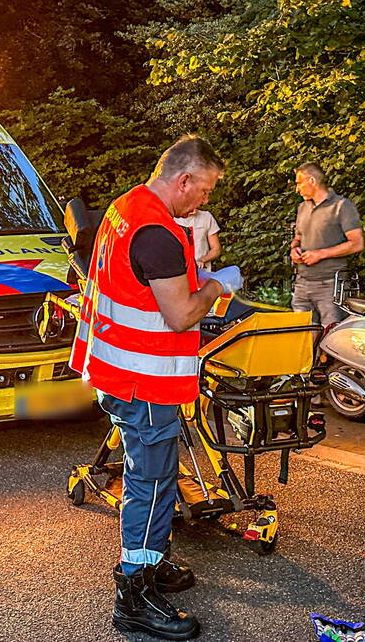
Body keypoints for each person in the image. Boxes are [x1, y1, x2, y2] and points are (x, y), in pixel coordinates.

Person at [69, 135, 242, 640]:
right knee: (152, 480)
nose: (205, 200)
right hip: (144, 382)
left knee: (155, 475)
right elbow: (181, 311)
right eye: (205, 190)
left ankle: (153, 560)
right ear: (183, 179)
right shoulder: (159, 234)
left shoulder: (126, 207)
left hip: (115, 369)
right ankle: (135, 591)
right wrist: (216, 284)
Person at [289, 162, 364, 327]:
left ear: (312, 181)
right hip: (302, 283)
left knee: (331, 334)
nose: (297, 189)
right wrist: (294, 249)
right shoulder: (302, 207)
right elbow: (298, 237)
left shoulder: (342, 206)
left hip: (330, 284)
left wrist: (321, 254)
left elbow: (357, 244)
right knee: (301, 333)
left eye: (299, 183)